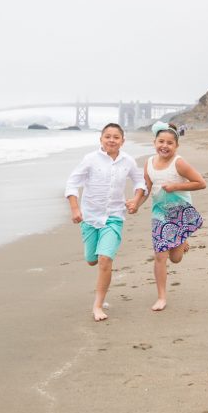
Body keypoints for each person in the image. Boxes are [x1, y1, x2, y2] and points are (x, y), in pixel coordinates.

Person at [65, 123, 146, 321]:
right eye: (107, 136)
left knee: (104, 260)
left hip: (114, 217)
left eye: (116, 137)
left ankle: (98, 305)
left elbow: (140, 182)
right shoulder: (90, 160)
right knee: (92, 260)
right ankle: (96, 258)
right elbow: (72, 183)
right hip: (90, 217)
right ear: (100, 139)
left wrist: (136, 200)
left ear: (122, 141)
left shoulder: (128, 161)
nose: (112, 140)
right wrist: (75, 209)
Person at [143, 121, 206, 311]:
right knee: (160, 255)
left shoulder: (178, 162)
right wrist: (135, 204)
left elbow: (200, 183)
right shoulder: (148, 163)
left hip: (180, 212)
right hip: (160, 213)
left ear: (176, 146)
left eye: (170, 143)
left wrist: (176, 186)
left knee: (176, 258)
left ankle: (183, 240)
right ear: (154, 142)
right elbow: (146, 190)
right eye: (161, 141)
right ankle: (161, 297)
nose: (165, 146)